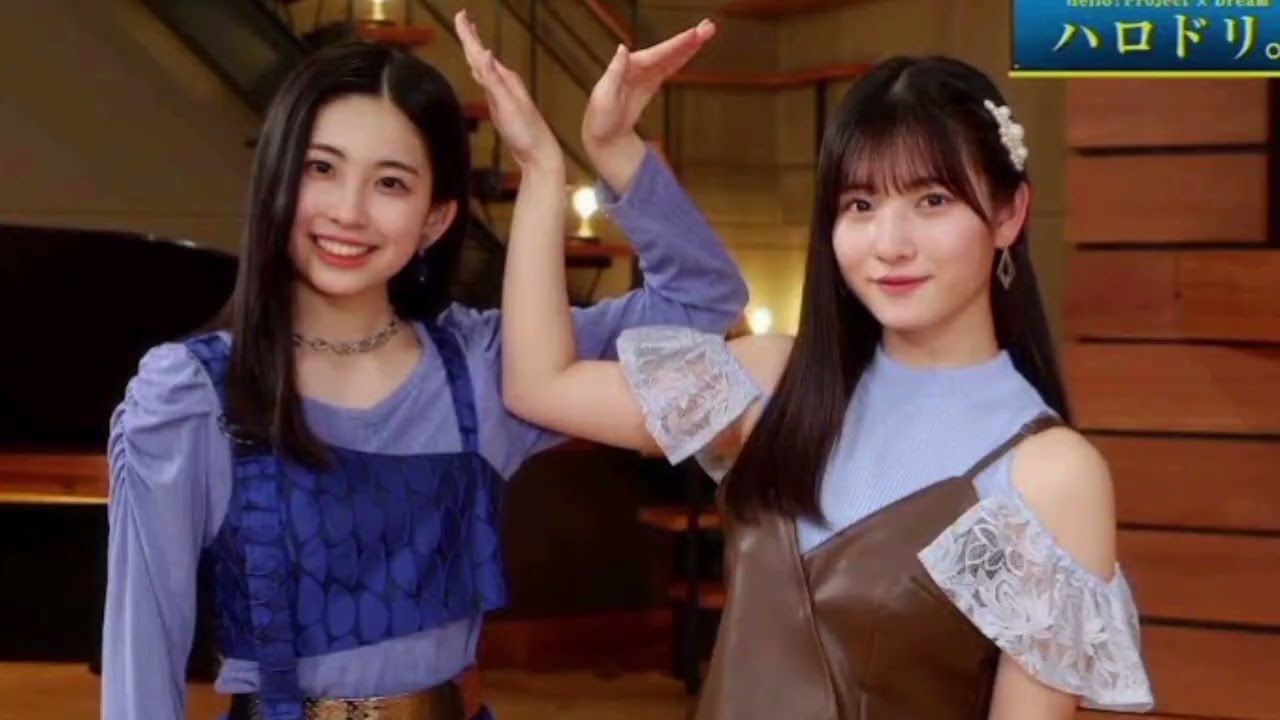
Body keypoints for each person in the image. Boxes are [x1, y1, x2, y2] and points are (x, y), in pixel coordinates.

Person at [102, 11, 744, 720]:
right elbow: (142, 662)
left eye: (391, 184)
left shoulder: (486, 369)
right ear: (278, 180)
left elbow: (701, 302)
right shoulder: (193, 395)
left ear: (436, 218)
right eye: (321, 169)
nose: (349, 212)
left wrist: (604, 150)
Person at [497, 53, 1156, 719]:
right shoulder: (775, 382)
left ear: (1009, 213)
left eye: (932, 200)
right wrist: (559, 165)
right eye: (860, 205)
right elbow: (540, 385)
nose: (890, 243)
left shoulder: (1048, 473)